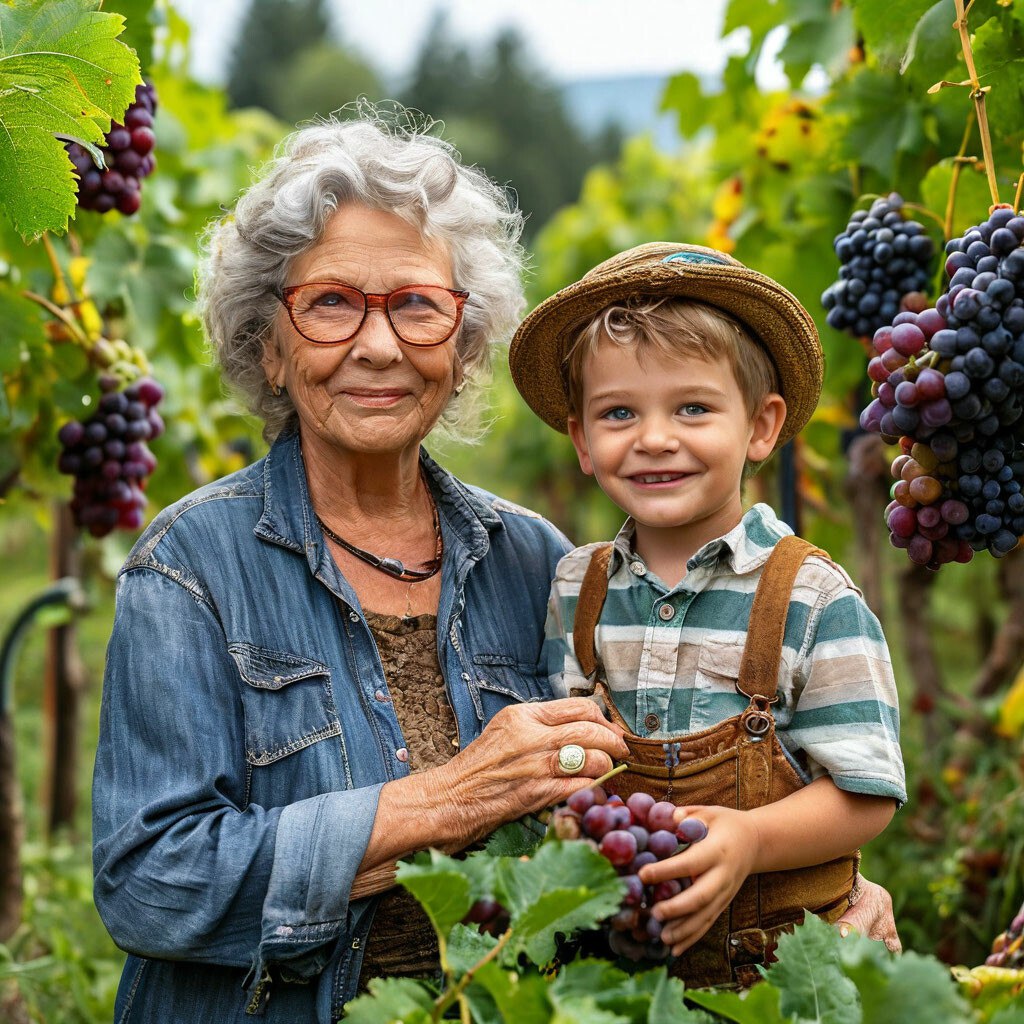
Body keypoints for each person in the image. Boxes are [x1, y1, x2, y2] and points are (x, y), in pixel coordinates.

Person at [91, 112, 631, 1023]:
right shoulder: (190, 567)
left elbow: (628, 824)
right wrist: (447, 801)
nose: (378, 345)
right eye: (332, 302)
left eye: (417, 306)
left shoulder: (539, 561)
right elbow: (152, 883)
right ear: (270, 343)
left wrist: (813, 887)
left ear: (461, 352)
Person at [509, 242, 907, 986]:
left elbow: (866, 794)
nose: (655, 437)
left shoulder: (810, 597)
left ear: (761, 427)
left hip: (782, 974)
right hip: (621, 968)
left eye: (693, 408)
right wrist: (566, 815)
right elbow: (570, 754)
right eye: (619, 412)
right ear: (582, 442)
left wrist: (751, 840)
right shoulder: (576, 586)